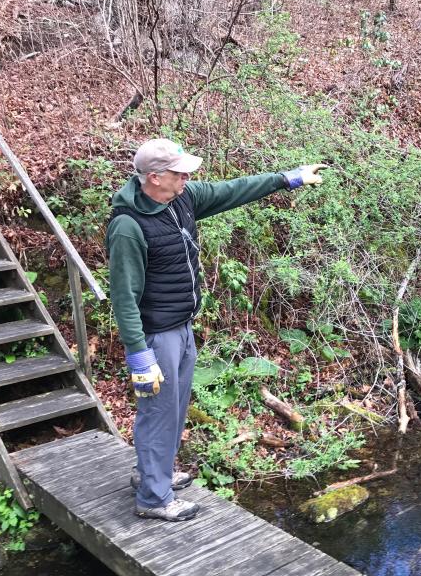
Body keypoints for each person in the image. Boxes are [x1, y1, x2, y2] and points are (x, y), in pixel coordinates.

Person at [106, 138, 325, 521]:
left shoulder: (182, 198)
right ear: (154, 178)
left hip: (182, 325)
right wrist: (139, 354)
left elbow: (234, 190)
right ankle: (154, 500)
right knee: (158, 412)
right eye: (179, 173)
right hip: (157, 336)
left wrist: (288, 179)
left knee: (173, 408)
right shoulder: (128, 227)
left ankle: (150, 475)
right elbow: (124, 297)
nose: (187, 177)